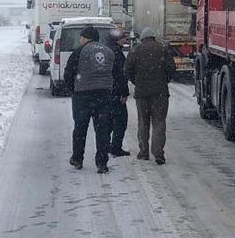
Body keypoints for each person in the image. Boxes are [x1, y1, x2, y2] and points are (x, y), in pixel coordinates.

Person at [63, 26, 115, 173]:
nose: (79, 40)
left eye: (81, 37)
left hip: (83, 96)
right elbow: (117, 73)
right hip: (104, 95)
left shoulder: (79, 51)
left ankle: (77, 159)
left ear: (86, 38)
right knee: (102, 129)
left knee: (80, 128)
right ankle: (102, 163)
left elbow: (69, 72)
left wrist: (72, 89)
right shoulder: (109, 52)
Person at [124, 27, 175, 165]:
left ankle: (144, 152)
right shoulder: (163, 49)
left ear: (142, 38)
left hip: (142, 93)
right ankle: (158, 153)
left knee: (143, 123)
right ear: (153, 37)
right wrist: (164, 80)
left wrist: (136, 81)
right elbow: (171, 69)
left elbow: (127, 70)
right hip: (160, 93)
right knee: (159, 123)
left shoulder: (135, 50)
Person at [106, 30, 130, 157]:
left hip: (107, 91)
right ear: (116, 40)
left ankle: (105, 145)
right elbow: (121, 75)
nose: (125, 41)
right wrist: (124, 93)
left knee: (108, 121)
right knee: (120, 121)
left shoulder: (107, 51)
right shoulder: (117, 54)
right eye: (123, 39)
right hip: (116, 92)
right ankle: (116, 147)